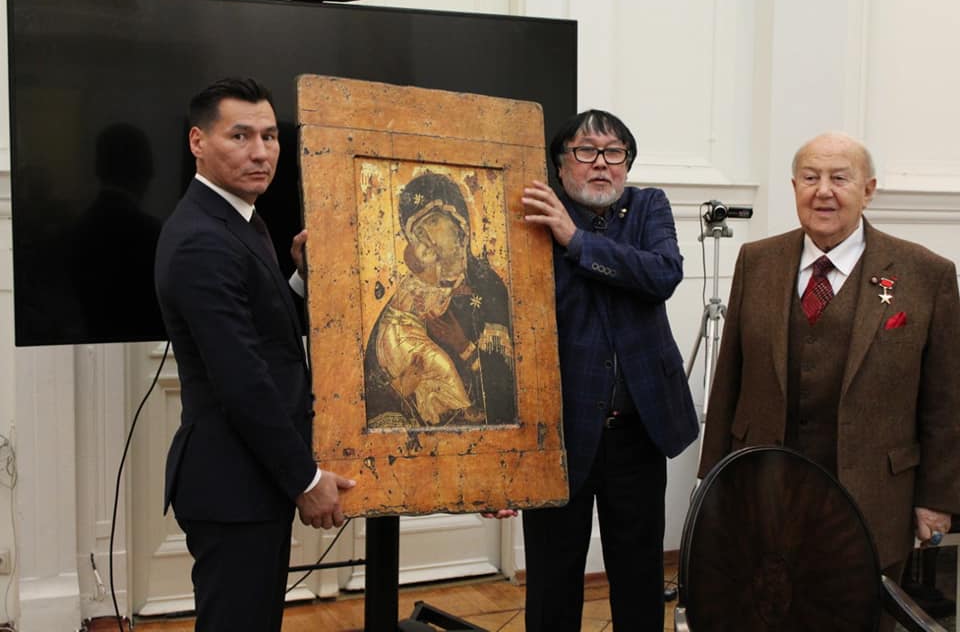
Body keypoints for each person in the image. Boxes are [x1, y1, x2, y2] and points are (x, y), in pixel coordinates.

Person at [698, 131, 960, 632]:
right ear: (794, 186)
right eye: (811, 178)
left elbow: (945, 402)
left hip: (872, 498)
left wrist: (937, 499)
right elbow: (729, 377)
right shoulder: (756, 261)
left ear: (869, 190)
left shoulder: (926, 274)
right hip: (766, 493)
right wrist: (712, 478)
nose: (824, 191)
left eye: (840, 178)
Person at [154, 77, 356, 632]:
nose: (261, 152)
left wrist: (300, 279)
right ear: (198, 141)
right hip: (232, 483)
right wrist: (305, 480)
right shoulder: (202, 237)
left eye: (270, 136)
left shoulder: (238, 217)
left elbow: (266, 333)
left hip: (249, 481)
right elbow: (242, 380)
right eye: (240, 136)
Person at [517, 109, 699, 630]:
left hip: (638, 431)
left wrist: (575, 241)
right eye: (586, 150)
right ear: (559, 164)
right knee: (553, 581)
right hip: (558, 435)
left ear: (627, 164)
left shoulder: (648, 206)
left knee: (639, 578)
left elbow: (663, 273)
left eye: (614, 152)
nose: (601, 163)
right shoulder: (533, 218)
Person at [363, 171, 517, 429]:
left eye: (433, 221)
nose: (426, 236)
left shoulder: (488, 288)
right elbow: (373, 393)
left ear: (459, 224)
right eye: (417, 231)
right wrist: (402, 387)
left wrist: (463, 346)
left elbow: (510, 389)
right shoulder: (407, 297)